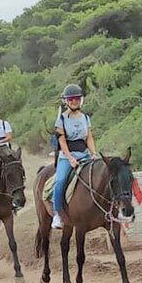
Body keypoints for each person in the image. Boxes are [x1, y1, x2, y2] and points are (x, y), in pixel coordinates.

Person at [52, 84, 97, 229]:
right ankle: (57, 214)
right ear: (66, 101)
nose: (73, 101)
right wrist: (70, 158)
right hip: (67, 156)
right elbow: (62, 141)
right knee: (60, 181)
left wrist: (94, 153)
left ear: (81, 100)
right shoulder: (62, 119)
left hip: (84, 154)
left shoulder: (85, 118)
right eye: (70, 99)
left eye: (76, 98)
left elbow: (89, 138)